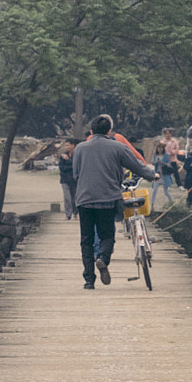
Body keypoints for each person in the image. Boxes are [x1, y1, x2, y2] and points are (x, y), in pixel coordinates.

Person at [72, 115, 157, 289]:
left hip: (84, 200)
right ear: (109, 131)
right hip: (108, 199)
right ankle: (102, 258)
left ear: (91, 131)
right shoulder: (118, 147)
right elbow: (137, 166)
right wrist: (152, 175)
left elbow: (76, 174)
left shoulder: (80, 148)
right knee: (107, 236)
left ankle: (89, 280)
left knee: (86, 239)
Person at [57, 141, 77, 219]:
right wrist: (70, 166)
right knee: (67, 198)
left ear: (73, 145)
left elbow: (76, 166)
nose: (66, 147)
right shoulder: (63, 156)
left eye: (67, 145)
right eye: (65, 145)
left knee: (75, 197)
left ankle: (75, 212)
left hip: (74, 179)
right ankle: (68, 214)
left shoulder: (76, 155)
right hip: (65, 179)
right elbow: (61, 168)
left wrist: (68, 161)